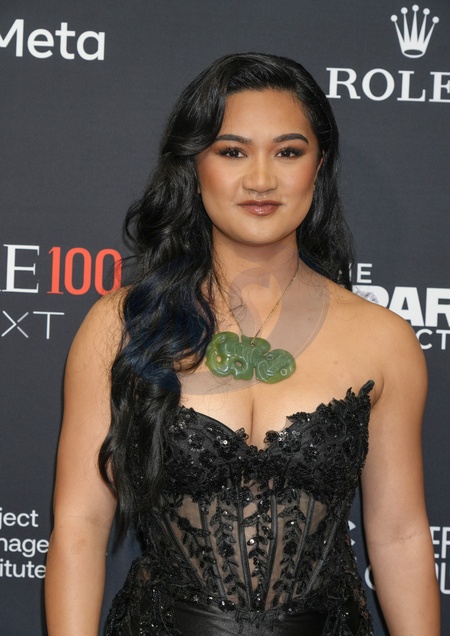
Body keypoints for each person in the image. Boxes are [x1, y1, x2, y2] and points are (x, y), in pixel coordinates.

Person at [45, 52, 439, 635]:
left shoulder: (384, 340)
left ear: (319, 165)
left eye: (288, 152)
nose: (261, 180)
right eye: (232, 152)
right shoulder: (122, 325)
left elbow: (399, 534)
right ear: (194, 164)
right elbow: (80, 526)